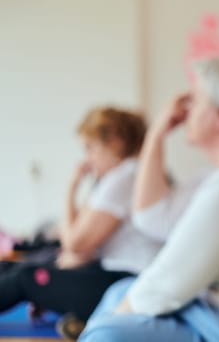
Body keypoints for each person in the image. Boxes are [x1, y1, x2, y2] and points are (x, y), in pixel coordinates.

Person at [79, 57, 219, 342]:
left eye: (195, 101)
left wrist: (108, 323)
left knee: (107, 335)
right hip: (212, 312)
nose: (185, 111)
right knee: (120, 291)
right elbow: (151, 217)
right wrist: (157, 132)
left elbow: (169, 282)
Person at [0, 107, 162, 333]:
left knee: (25, 279)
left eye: (90, 149)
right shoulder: (120, 177)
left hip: (126, 281)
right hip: (113, 274)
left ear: (114, 143)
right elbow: (76, 238)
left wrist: (72, 187)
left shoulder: (124, 177)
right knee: (15, 269)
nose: (87, 159)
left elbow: (74, 243)